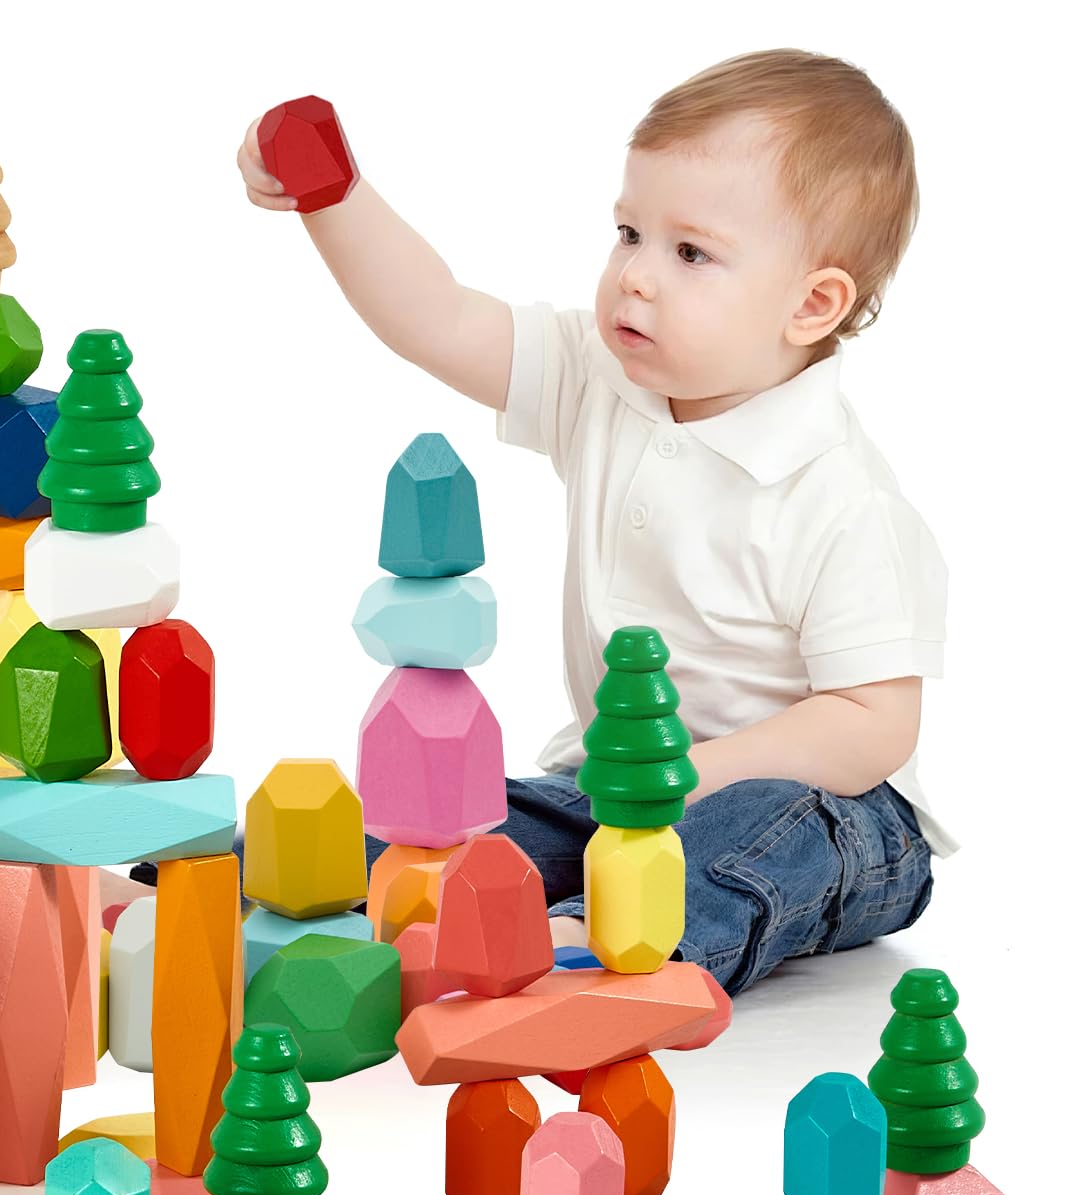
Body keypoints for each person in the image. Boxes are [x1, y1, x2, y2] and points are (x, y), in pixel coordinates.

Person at [233, 48, 952, 996]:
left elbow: (873, 726)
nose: (635, 277)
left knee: (747, 843)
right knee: (451, 824)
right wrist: (333, 196)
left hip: (834, 816)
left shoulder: (841, 498)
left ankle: (594, 957)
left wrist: (687, 772)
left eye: (690, 253)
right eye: (629, 233)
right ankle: (237, 895)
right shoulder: (601, 380)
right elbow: (437, 318)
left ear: (811, 304)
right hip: (611, 794)